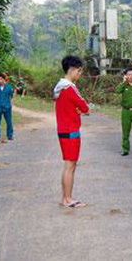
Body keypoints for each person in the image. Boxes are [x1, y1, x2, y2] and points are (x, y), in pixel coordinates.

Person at [53, 55, 91, 208]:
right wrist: (81, 110)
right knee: (70, 166)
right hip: (70, 131)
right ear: (73, 70)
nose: (80, 75)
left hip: (64, 129)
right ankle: (68, 199)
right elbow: (85, 107)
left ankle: (65, 198)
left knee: (69, 165)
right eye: (80, 71)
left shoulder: (60, 88)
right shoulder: (69, 88)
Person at [0, 73, 14, 142]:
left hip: (7, 106)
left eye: (1, 79)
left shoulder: (8, 87)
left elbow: (11, 96)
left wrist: (11, 105)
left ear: (4, 80)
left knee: (9, 122)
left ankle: (10, 135)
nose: (0, 81)